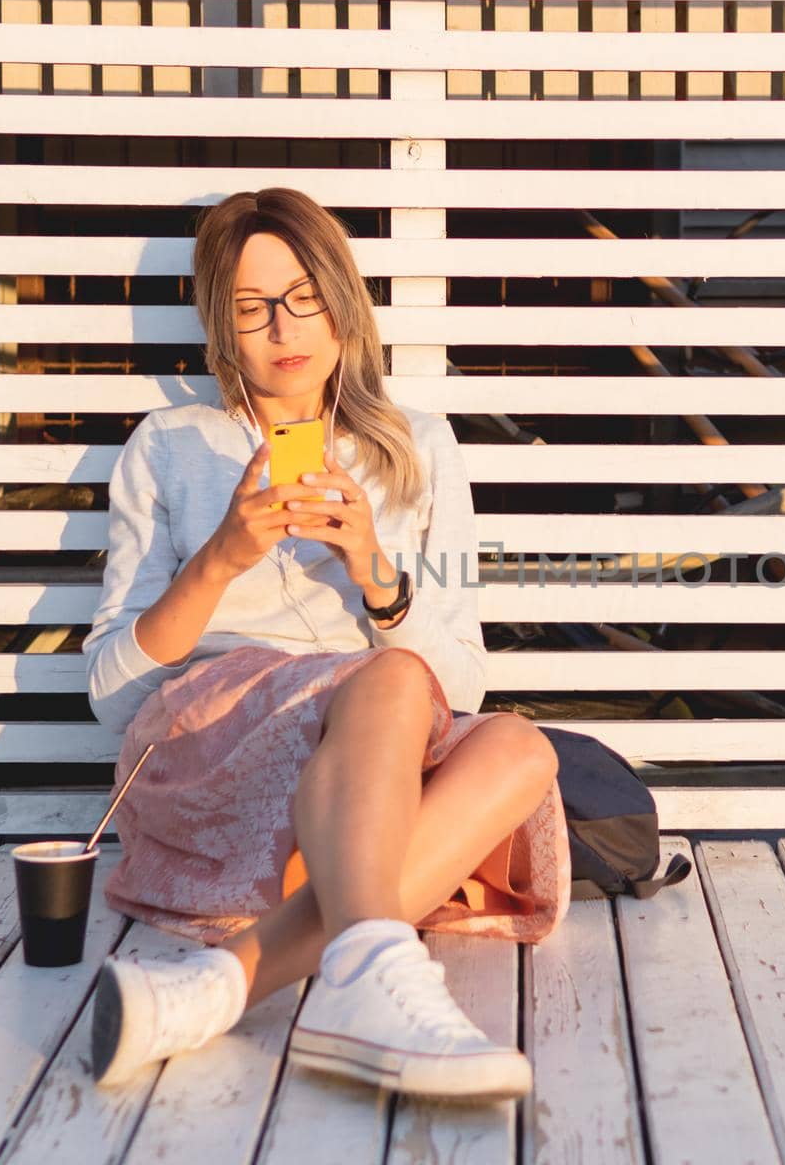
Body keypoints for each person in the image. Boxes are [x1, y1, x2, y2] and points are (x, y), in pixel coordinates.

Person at [80, 187, 569, 1100]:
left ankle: (223, 987)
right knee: (388, 683)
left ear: (342, 302)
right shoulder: (171, 445)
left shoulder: (417, 446)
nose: (283, 327)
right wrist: (218, 562)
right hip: (214, 747)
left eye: (304, 295)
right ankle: (365, 981)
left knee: (519, 744)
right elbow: (111, 694)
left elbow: (458, 679)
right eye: (253, 306)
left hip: (356, 789)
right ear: (222, 324)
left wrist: (376, 573)